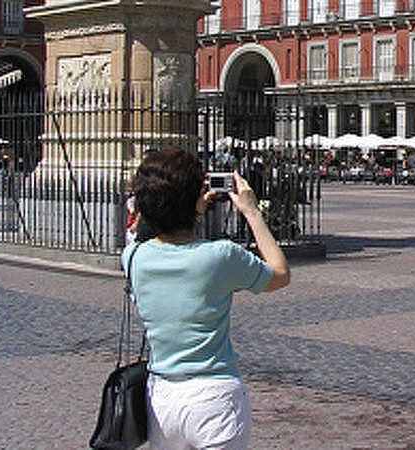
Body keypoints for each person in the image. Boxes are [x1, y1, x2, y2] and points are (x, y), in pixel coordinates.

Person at [121, 147, 290, 449]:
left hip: (162, 399)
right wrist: (251, 211)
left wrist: (187, 205)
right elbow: (280, 273)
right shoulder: (220, 256)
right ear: (196, 201)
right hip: (214, 398)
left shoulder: (133, 257)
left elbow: (140, 230)